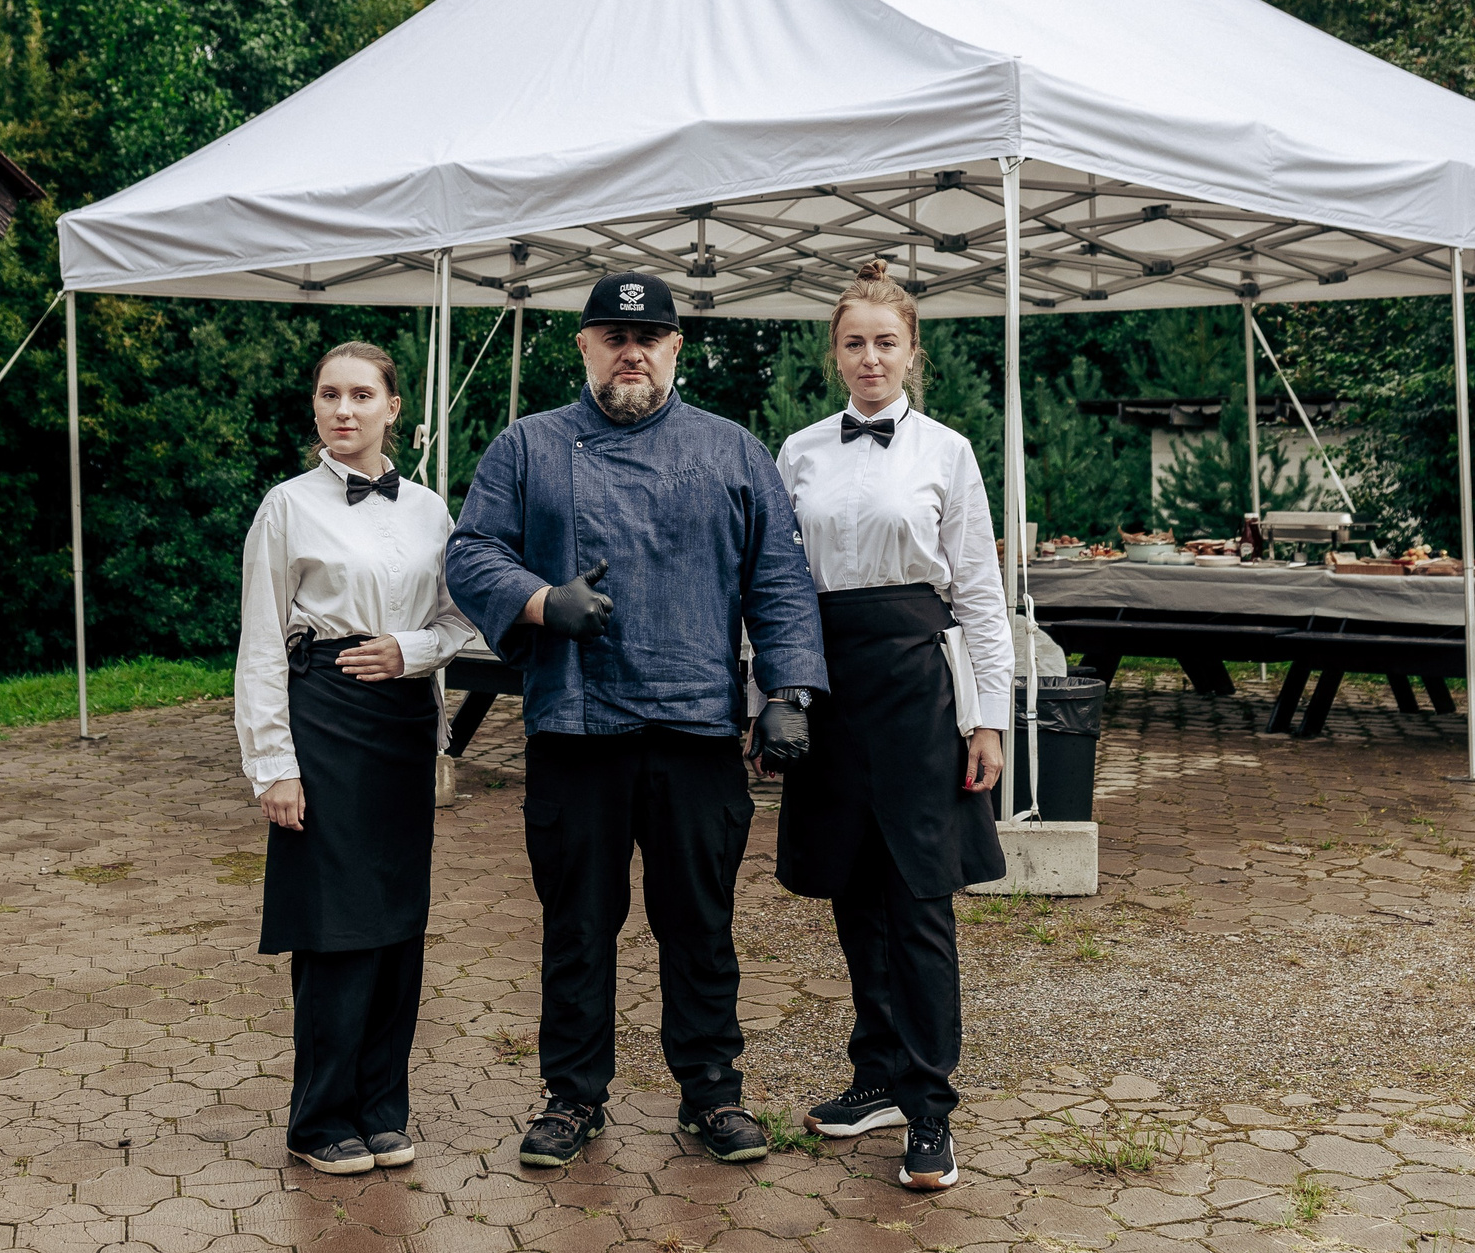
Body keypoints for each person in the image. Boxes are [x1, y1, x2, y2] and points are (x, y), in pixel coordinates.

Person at [446, 272, 828, 1169]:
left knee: (700, 921)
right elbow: (469, 553)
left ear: (676, 351)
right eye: (613, 335)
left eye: (649, 336)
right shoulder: (529, 447)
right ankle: (573, 1096)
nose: (632, 351)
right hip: (577, 728)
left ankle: (712, 1094)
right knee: (577, 923)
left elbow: (778, 580)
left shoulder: (733, 450)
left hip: (696, 727)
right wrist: (540, 602)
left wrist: (788, 694)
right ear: (582, 347)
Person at [773, 258, 1011, 1191]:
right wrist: (772, 696)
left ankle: (930, 1108)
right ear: (834, 354)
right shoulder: (797, 452)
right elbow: (778, 587)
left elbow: (981, 597)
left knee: (919, 899)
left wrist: (987, 719)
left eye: (886, 342)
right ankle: (874, 1073)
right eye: (853, 343)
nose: (869, 358)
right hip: (829, 687)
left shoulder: (948, 451)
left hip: (918, 691)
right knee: (851, 887)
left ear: (913, 352)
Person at [236, 341, 476, 1176]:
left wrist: (409, 650)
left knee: (398, 926)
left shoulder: (431, 511)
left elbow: (460, 624)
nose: (344, 410)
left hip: (403, 723)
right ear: (315, 408)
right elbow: (261, 643)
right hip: (323, 718)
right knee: (335, 927)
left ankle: (382, 1108)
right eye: (329, 395)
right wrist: (274, 766)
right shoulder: (287, 507)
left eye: (361, 395)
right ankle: (319, 1119)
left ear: (392, 408)